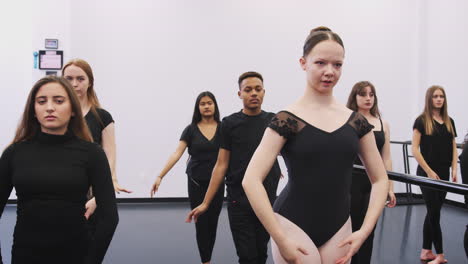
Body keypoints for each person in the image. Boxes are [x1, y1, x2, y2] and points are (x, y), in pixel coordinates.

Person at [242, 27, 389, 264]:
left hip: (340, 226)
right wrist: (279, 237)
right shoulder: (287, 119)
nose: (329, 71)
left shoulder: (356, 122)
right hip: (293, 223)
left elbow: (380, 179)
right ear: (303, 63)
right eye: (320, 63)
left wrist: (364, 230)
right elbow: (251, 180)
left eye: (337, 65)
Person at [0, 76, 118, 264]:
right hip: (26, 254)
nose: (49, 107)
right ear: (33, 110)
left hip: (76, 253)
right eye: (41, 101)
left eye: (59, 101)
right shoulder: (14, 153)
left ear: (72, 110)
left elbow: (110, 217)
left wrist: (92, 260)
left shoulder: (92, 154)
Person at [186, 71, 281, 264]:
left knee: (261, 252)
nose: (253, 93)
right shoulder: (229, 124)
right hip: (239, 198)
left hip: (266, 197)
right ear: (240, 94)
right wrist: (205, 203)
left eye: (258, 89)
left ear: (264, 92)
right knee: (247, 255)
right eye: (248, 90)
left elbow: (280, 152)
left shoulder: (274, 121)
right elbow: (221, 165)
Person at [150, 91, 224, 264]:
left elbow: (234, 153)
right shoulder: (190, 130)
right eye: (202, 103)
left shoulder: (223, 128)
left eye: (209, 103)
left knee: (212, 221)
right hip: (196, 182)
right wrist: (160, 175)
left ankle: (208, 256)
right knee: (201, 223)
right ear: (198, 107)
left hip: (217, 183)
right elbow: (177, 153)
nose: (206, 106)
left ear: (215, 105)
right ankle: (206, 261)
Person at [62, 59, 130, 220]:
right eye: (69, 79)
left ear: (90, 82)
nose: (75, 84)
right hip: (63, 189)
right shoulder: (56, 116)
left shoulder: (102, 117)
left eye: (80, 79)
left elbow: (109, 154)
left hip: (93, 190)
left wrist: (108, 185)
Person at [346, 81, 396, 264]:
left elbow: (386, 157)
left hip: (373, 184)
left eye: (371, 94)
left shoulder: (383, 123)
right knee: (349, 229)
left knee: (368, 231)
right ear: (355, 97)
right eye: (363, 94)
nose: (368, 98)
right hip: (350, 183)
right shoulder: (348, 120)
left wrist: (390, 187)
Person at [412, 85, 458, 264]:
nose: (439, 99)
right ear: (429, 99)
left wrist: (454, 168)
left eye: (442, 96)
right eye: (435, 96)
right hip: (426, 173)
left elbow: (453, 146)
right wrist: (429, 172)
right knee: (434, 213)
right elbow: (415, 149)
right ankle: (440, 255)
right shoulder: (421, 121)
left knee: (433, 212)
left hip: (444, 173)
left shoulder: (449, 121)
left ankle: (425, 251)